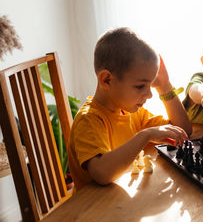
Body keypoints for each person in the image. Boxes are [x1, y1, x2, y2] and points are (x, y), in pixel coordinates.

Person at [68, 27, 192, 191]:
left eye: (151, 85)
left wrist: (165, 86)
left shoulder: (130, 110)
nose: (149, 95)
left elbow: (183, 130)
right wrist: (146, 135)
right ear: (106, 80)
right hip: (93, 210)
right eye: (141, 86)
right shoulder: (89, 119)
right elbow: (102, 173)